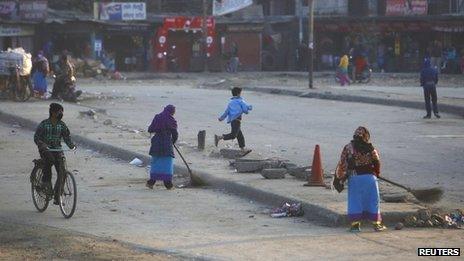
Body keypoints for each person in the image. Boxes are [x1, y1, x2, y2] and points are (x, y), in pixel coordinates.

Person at [336, 126, 386, 232]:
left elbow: (342, 163)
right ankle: (377, 225)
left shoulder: (348, 147)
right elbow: (377, 162)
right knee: (373, 200)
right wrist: (376, 173)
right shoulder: (370, 148)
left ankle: (355, 226)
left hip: (355, 178)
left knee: (355, 201)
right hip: (370, 178)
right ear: (366, 136)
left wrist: (342, 177)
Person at [34, 103, 76, 205]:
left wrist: (72, 146)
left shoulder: (62, 125)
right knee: (50, 160)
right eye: (59, 111)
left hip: (57, 149)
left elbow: (66, 137)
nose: (60, 113)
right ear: (52, 112)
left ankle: (57, 196)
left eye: (62, 111)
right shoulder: (44, 124)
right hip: (45, 149)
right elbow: (37, 137)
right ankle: (45, 182)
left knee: (62, 172)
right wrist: (42, 144)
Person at [146, 105, 178, 190]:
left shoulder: (157, 117)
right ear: (172, 112)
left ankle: (151, 182)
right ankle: (168, 184)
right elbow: (175, 133)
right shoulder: (171, 120)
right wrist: (173, 141)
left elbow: (150, 129)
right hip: (167, 143)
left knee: (156, 162)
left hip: (156, 141)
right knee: (166, 163)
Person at [215, 87, 252, 153]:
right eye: (240, 93)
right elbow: (245, 110)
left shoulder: (231, 103)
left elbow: (226, 112)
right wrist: (249, 109)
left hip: (232, 121)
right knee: (233, 135)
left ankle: (243, 149)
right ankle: (219, 137)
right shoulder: (241, 101)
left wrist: (221, 118)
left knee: (239, 135)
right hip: (237, 120)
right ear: (238, 94)